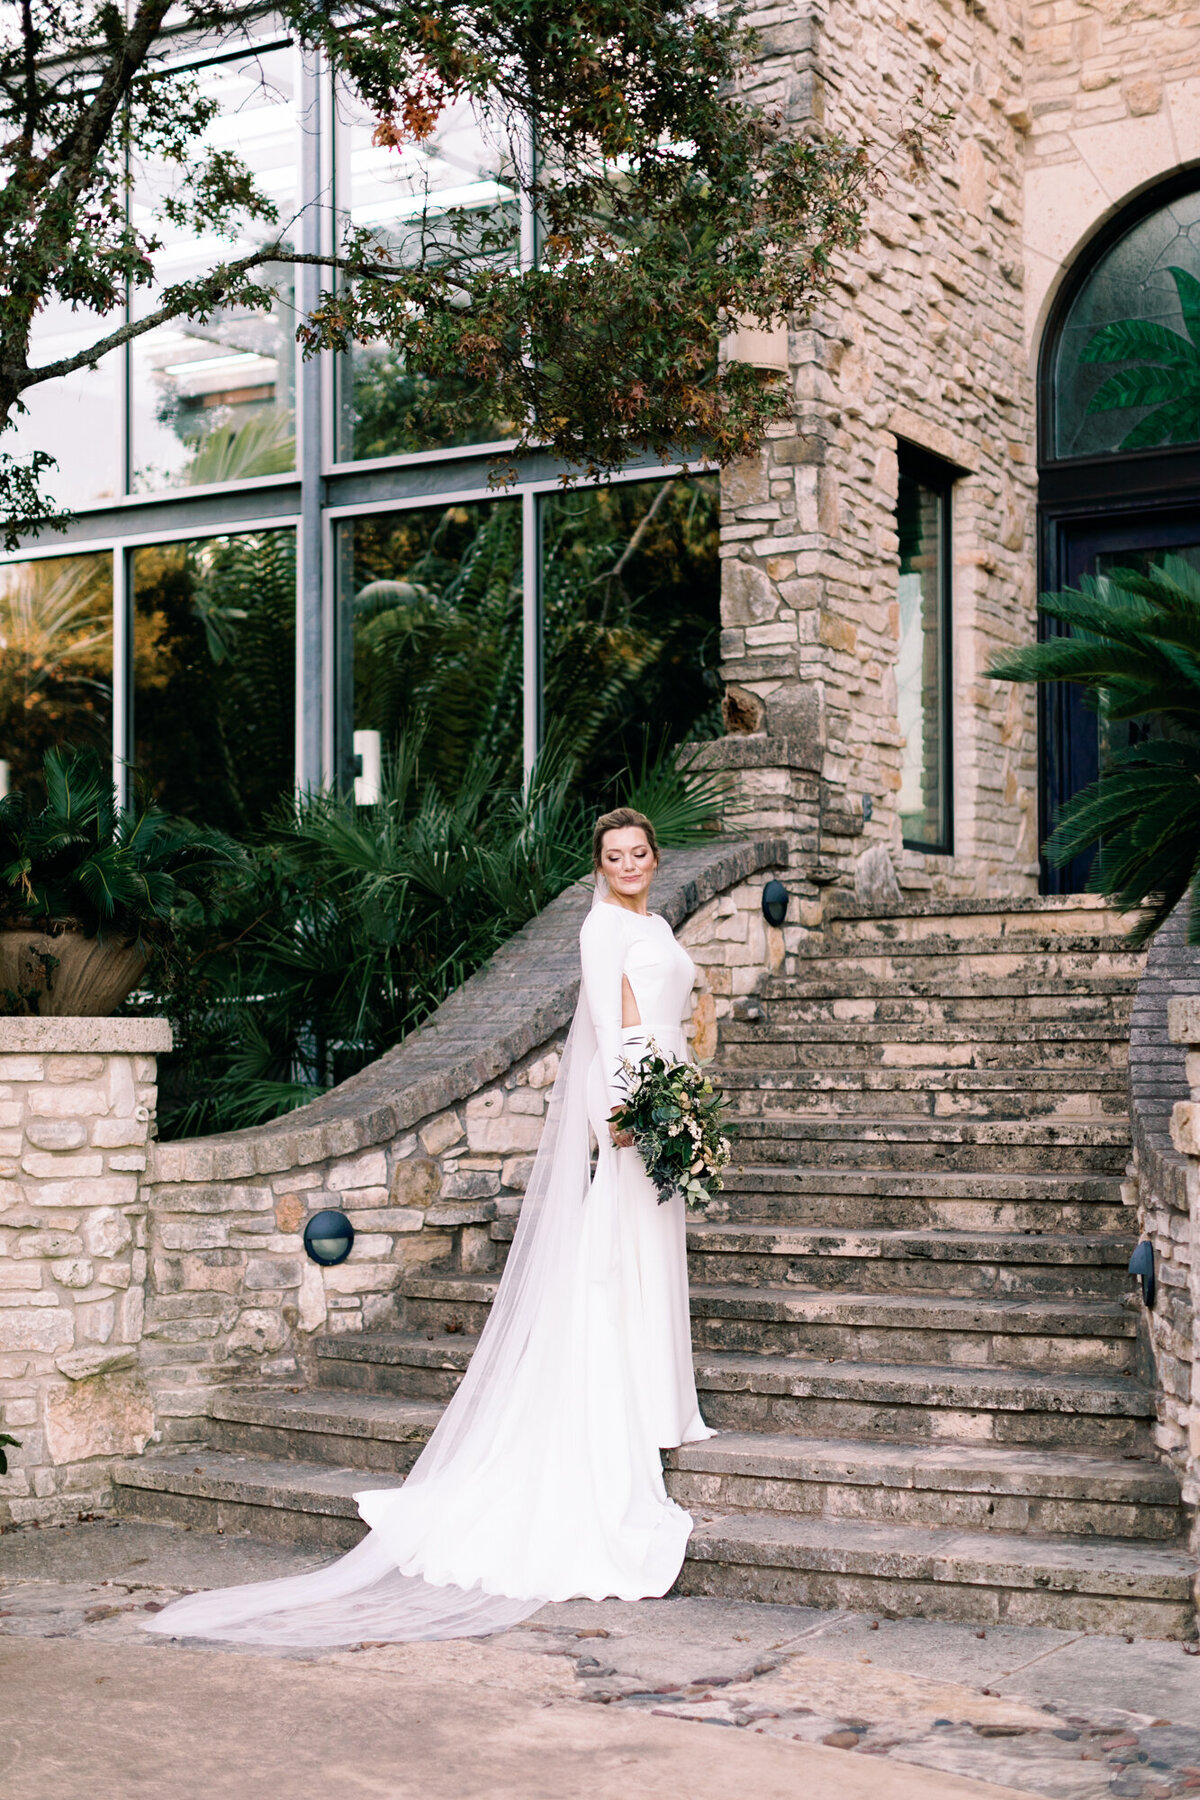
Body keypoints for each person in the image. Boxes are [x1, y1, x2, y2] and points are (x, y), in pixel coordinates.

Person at [145, 807, 714, 1647]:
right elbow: (610, 1023)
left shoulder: (658, 921)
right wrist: (631, 1112)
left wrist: (691, 1089)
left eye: (639, 853)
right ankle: (629, 1403)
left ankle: (670, 1402)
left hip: (672, 1090)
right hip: (635, 1098)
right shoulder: (600, 929)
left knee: (657, 1248)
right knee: (621, 1250)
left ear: (655, 859)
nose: (628, 864)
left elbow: (681, 1005)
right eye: (614, 855)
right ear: (599, 865)